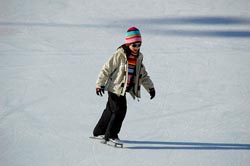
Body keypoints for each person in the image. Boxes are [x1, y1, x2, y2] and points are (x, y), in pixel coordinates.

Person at [93, 27, 155, 141]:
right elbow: (106, 69)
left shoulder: (138, 58)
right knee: (120, 110)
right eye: (134, 45)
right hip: (115, 88)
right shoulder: (120, 55)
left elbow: (143, 75)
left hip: (123, 90)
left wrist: (150, 88)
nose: (137, 48)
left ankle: (99, 131)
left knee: (110, 110)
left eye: (139, 45)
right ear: (128, 44)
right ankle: (111, 134)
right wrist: (99, 84)